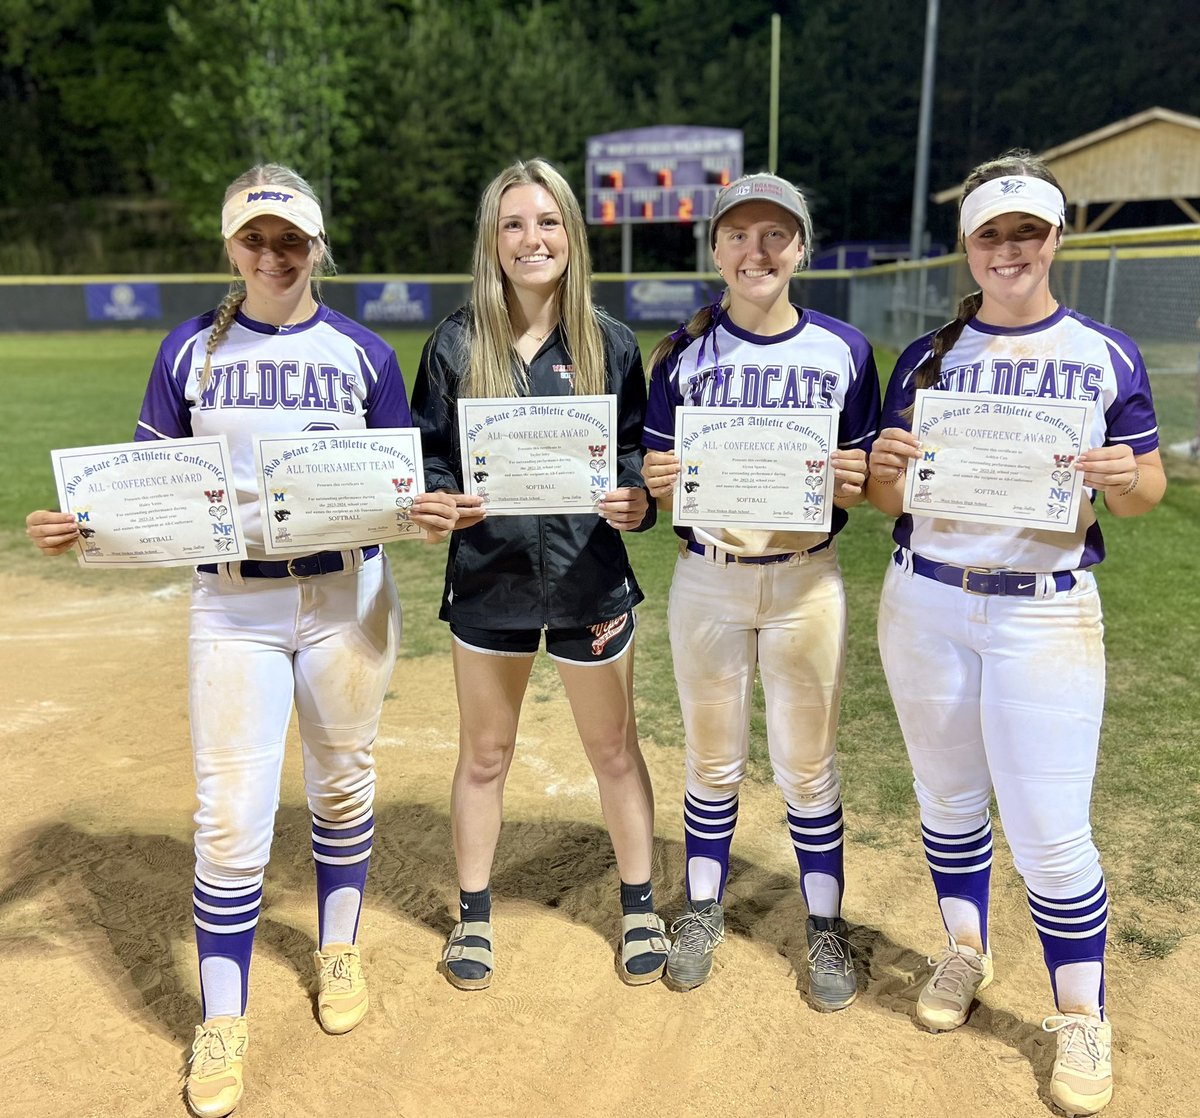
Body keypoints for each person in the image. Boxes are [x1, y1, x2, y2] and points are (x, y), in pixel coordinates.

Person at [26, 164, 458, 1118]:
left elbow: (400, 485)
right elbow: (148, 485)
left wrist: (427, 513)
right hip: (233, 609)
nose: (274, 254)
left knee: (345, 777)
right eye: (255, 239)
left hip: (347, 594)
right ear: (230, 247)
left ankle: (337, 948)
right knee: (231, 816)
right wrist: (82, 525)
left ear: (317, 247)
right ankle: (224, 1018)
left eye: (290, 238)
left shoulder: (362, 353)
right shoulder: (189, 352)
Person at [866, 150, 1165, 1117]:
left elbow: (1148, 494)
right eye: (992, 233)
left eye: (1027, 231)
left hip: (1046, 605)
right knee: (948, 797)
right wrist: (886, 462)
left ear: (1056, 239)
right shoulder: (926, 357)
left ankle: (1081, 1013)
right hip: (926, 598)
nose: (1010, 249)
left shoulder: (1105, 352)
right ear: (968, 245)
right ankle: (964, 951)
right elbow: (885, 497)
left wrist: (1126, 476)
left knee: (1048, 829)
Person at [409, 158, 668, 990]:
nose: (533, 238)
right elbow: (430, 463)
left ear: (571, 236)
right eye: (514, 224)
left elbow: (635, 461)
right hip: (492, 579)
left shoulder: (612, 343)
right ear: (493, 240)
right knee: (486, 753)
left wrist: (637, 502)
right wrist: (440, 501)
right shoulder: (456, 343)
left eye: (548, 221)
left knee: (615, 751)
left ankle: (639, 907)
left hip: (591, 579)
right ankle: (473, 916)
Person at [640, 173, 880, 1008]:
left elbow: (865, 473)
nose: (758, 250)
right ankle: (701, 910)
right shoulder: (679, 353)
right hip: (709, 578)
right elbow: (653, 477)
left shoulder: (844, 348)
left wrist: (857, 475)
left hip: (806, 579)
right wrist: (656, 477)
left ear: (801, 250)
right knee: (713, 761)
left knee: (808, 767)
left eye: (776, 234)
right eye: (739, 234)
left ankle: (824, 924)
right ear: (716, 250)